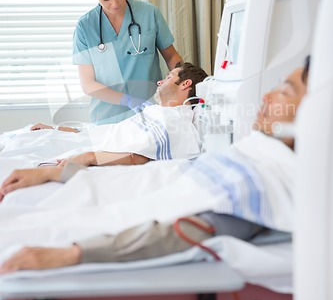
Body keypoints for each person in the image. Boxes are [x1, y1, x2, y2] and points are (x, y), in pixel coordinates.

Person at [0, 61, 309, 273]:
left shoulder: (262, 177)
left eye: (284, 91)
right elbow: (154, 174)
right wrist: (60, 171)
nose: (266, 95)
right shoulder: (257, 152)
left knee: (17, 225)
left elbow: (184, 231)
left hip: (105, 221)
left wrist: (73, 253)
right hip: (112, 190)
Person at [0, 63, 208, 190]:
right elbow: (116, 133)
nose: (160, 81)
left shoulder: (174, 121)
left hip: (91, 150)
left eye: (169, 76)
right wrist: (61, 130)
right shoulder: (158, 112)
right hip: (88, 138)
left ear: (185, 84)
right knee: (27, 136)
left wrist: (90, 157)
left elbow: (140, 157)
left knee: (19, 155)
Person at [73, 0, 182, 125]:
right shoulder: (86, 27)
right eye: (106, 0)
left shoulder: (149, 13)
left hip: (150, 112)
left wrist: (183, 81)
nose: (115, 4)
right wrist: (128, 100)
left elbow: (171, 56)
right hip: (107, 118)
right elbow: (88, 84)